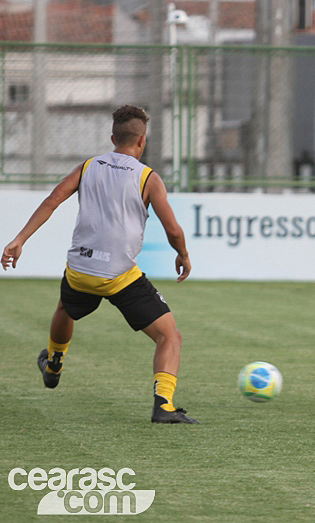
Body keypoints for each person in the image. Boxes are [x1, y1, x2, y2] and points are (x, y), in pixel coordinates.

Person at [1, 105, 197, 424]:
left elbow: (52, 200)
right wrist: (183, 255)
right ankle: (163, 405)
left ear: (112, 138)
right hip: (120, 276)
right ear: (142, 141)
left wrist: (19, 239)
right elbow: (173, 230)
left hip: (81, 271)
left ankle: (54, 363)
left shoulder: (88, 166)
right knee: (169, 336)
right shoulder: (148, 178)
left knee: (66, 307)